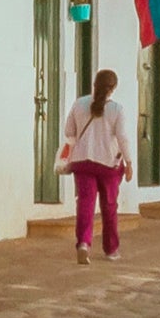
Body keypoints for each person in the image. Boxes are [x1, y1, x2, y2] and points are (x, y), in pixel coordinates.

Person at [60, 67, 133, 261]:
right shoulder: (117, 109)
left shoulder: (79, 104)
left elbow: (69, 131)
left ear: (95, 84)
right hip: (108, 164)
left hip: (82, 162)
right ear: (113, 88)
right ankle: (111, 249)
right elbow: (122, 137)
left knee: (85, 203)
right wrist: (129, 162)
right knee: (109, 206)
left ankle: (83, 242)